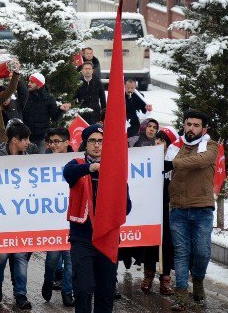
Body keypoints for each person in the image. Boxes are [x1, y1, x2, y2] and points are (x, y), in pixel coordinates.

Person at [63, 124, 132, 313]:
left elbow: (126, 206)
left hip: (107, 238)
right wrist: (91, 168)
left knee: (106, 291)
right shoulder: (77, 164)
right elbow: (68, 174)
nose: (97, 145)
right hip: (82, 239)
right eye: (92, 141)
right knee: (84, 289)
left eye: (101, 141)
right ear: (86, 143)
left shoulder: (115, 171)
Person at [166, 110, 219, 311]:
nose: (191, 129)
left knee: (202, 252)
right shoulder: (174, 147)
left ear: (203, 129)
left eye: (196, 125)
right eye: (189, 124)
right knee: (181, 253)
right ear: (184, 125)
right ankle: (180, 296)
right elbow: (162, 169)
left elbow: (202, 161)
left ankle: (198, 280)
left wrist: (175, 163)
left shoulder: (210, 145)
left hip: (202, 209)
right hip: (178, 208)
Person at [0, 122, 34, 309]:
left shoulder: (29, 161)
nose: (29, 143)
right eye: (25, 140)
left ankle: (20, 294)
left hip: (22, 219)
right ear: (15, 140)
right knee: (1, 257)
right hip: (2, 219)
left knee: (20, 257)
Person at [140, 127, 178, 296]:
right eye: (157, 139)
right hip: (151, 207)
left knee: (167, 244)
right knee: (150, 241)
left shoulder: (174, 162)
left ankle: (165, 279)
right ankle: (148, 276)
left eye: (162, 140)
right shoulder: (149, 160)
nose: (157, 143)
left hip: (168, 208)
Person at [41, 128, 74, 307]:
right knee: (53, 258)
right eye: (51, 142)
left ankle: (67, 293)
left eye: (57, 141)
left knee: (70, 259)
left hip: (72, 217)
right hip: (52, 217)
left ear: (67, 142)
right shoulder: (44, 161)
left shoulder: (77, 160)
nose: (53, 145)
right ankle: (48, 279)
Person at [22, 73, 71, 150]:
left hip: (41, 138)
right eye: (29, 81)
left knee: (41, 160)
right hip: (26, 137)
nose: (29, 84)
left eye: (32, 82)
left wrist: (60, 110)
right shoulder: (26, 96)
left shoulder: (49, 98)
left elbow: (55, 118)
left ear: (38, 84)